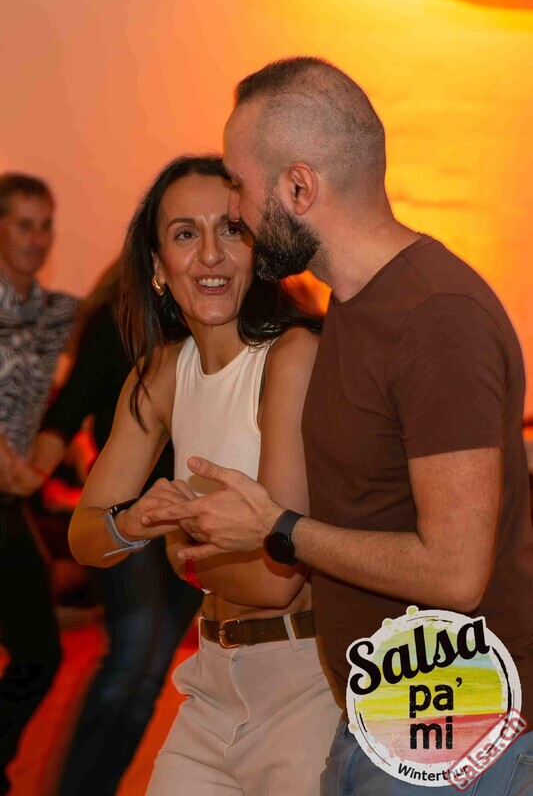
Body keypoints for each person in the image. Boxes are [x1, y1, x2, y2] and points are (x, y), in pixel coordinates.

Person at [134, 59, 533, 795]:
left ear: (298, 188)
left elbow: (455, 572)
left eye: (240, 186)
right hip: (377, 716)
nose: (236, 209)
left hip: (451, 731)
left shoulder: (436, 318)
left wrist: (277, 527)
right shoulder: (355, 305)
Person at [68, 155, 340, 796]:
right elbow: (86, 536)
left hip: (303, 685)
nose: (211, 254)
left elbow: (276, 579)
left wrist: (173, 539)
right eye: (186, 234)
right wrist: (132, 522)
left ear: (259, 252)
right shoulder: (160, 373)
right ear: (158, 266)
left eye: (233, 229)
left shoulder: (292, 355)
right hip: (211, 681)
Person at [26, 259, 202, 796]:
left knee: (147, 677)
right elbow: (68, 409)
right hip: (126, 514)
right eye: (183, 234)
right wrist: (24, 479)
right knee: (133, 656)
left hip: (192, 522)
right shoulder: (120, 321)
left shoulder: (216, 326)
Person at [0, 173, 78, 795]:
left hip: (10, 500)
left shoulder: (57, 313)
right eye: (24, 224)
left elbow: (103, 354)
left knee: (39, 654)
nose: (37, 238)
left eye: (46, 224)